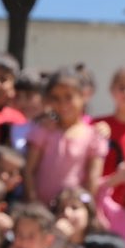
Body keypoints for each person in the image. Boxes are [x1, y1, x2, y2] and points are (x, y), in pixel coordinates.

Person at [23, 68, 106, 206]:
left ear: (83, 96)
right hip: (40, 209)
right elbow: (28, 170)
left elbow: (93, 178)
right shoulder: (44, 130)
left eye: (69, 97)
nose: (62, 104)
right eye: (56, 98)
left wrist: (84, 208)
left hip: (72, 210)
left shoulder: (94, 136)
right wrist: (32, 202)